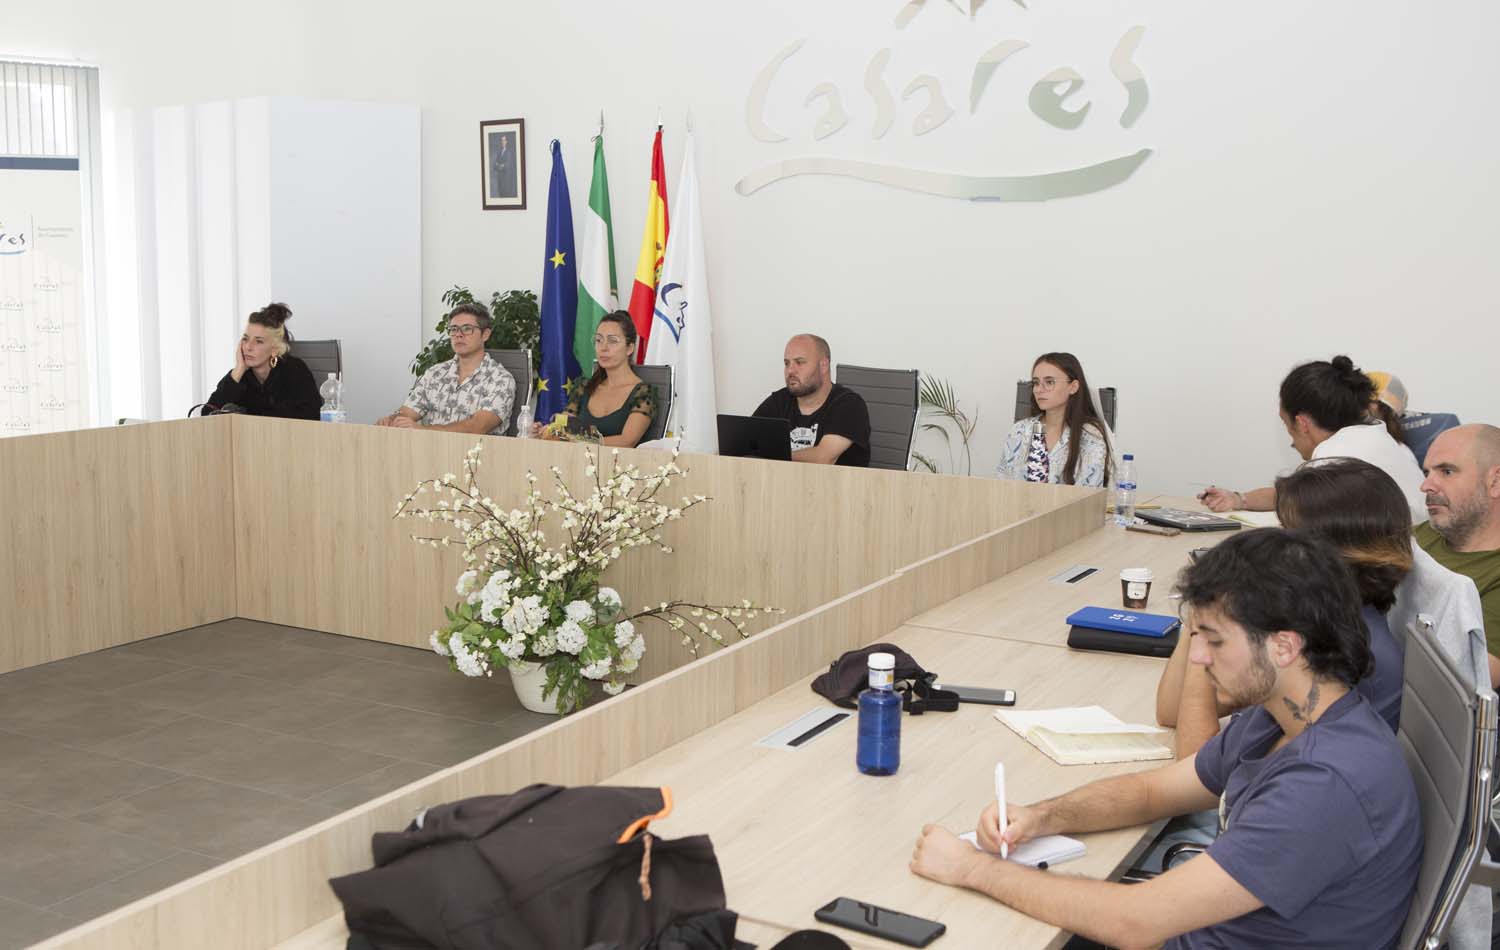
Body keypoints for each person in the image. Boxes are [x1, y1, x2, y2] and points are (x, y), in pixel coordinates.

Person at [910, 529, 1422, 949]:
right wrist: (1042, 816)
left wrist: (971, 868)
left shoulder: (1325, 783)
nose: (1197, 659)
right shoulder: (1286, 716)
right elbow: (1154, 792)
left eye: (1214, 640)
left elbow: (1136, 922)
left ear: (1284, 646)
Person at [1158, 458, 1412, 761]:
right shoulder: (1322, 622)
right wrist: (1205, 616)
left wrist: (1208, 614)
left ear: (1325, 554)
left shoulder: (1341, 653)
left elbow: (1193, 763)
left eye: (1286, 532)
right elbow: (1172, 711)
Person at [1200, 356, 1426, 522]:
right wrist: (1239, 499)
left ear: (1302, 423)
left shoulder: (1334, 460)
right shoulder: (1379, 438)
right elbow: (1289, 492)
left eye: (1286, 423)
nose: (1291, 439)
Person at [1416, 424, 1500, 667]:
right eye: (1427, 473)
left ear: (1495, 482)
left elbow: (1466, 678)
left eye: (1447, 471)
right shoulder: (1419, 536)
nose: (1426, 486)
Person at [378, 303, 515, 435]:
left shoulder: (501, 379)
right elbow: (407, 412)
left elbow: (477, 427)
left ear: (485, 334)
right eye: (454, 329)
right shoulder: (435, 373)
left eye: (467, 329)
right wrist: (392, 420)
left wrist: (423, 430)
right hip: (430, 451)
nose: (458, 335)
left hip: (477, 455)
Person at [533, 311, 656, 447]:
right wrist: (548, 431)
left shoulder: (643, 393)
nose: (603, 348)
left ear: (629, 348)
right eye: (599, 340)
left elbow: (627, 441)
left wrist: (579, 439)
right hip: (577, 462)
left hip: (619, 465)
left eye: (612, 341)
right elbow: (565, 426)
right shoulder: (583, 385)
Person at [995, 352, 1112, 488]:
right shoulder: (1019, 430)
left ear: (1073, 387)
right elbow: (1002, 484)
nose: (1039, 389)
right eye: (1036, 383)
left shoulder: (1090, 435)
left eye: (1049, 382)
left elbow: (1089, 496)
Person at [752, 334, 870, 466]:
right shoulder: (778, 401)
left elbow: (823, 458)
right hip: (785, 483)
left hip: (834, 485)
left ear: (823, 365)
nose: (790, 370)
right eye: (787, 363)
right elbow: (745, 445)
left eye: (800, 362)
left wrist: (770, 454)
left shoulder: (849, 404)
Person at [206, 302, 320, 420]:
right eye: (245, 339)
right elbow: (207, 415)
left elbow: (313, 417)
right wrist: (238, 370)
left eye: (258, 341)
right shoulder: (240, 376)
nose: (248, 347)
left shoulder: (295, 370)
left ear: (275, 349)